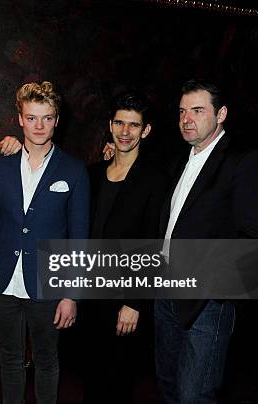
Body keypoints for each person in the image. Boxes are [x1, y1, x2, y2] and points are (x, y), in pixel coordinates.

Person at [155, 79, 258, 403]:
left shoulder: (243, 161)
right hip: (165, 295)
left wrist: (212, 291)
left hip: (205, 304)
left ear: (221, 114)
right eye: (182, 111)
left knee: (195, 395)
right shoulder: (180, 160)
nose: (186, 119)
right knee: (168, 387)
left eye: (197, 110)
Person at [0, 81, 89, 404]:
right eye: (32, 118)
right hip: (2, 279)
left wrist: (72, 294)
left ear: (57, 119)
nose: (39, 126)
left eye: (46, 118)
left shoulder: (74, 170)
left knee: (46, 360)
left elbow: (79, 238)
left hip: (48, 282)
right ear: (19, 119)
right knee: (9, 358)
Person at [82, 91, 168, 402]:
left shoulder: (155, 180)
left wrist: (135, 302)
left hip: (124, 298)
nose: (125, 131)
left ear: (145, 131)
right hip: (89, 294)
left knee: (119, 382)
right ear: (110, 125)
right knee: (90, 378)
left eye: (133, 125)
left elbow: (153, 245)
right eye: (119, 123)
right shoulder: (91, 175)